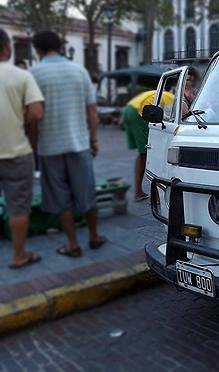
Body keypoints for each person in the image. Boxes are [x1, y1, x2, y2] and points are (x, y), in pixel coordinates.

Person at [30, 30, 106, 258]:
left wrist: (34, 147)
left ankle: (72, 244)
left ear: (38, 50)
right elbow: (92, 111)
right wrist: (93, 139)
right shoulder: (79, 71)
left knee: (60, 198)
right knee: (86, 193)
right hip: (79, 144)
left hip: (49, 147)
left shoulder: (33, 74)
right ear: (60, 47)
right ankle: (93, 236)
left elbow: (32, 116)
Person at [0, 28, 45, 269]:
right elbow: (37, 113)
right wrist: (21, 114)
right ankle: (18, 255)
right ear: (7, 48)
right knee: (18, 207)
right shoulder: (21, 76)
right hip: (16, 152)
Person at [122, 89, 175, 201]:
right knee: (150, 152)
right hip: (139, 113)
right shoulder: (173, 100)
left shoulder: (162, 93)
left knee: (144, 153)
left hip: (130, 110)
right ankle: (155, 195)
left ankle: (139, 192)